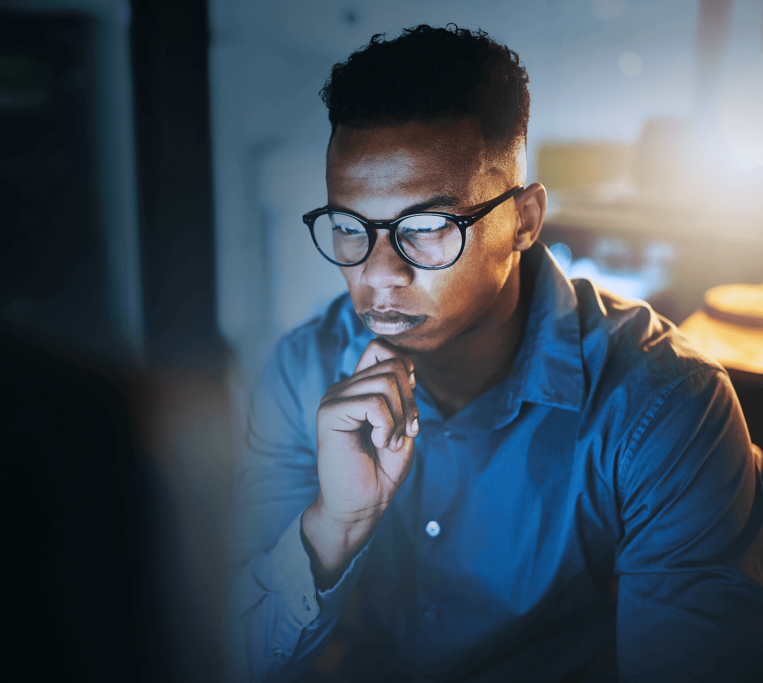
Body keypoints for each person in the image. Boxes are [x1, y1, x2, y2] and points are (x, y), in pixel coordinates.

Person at [228, 24, 763, 683]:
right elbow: (229, 655)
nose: (379, 273)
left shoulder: (663, 407)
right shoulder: (302, 369)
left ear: (525, 221)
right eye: (349, 228)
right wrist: (334, 525)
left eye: (424, 229)